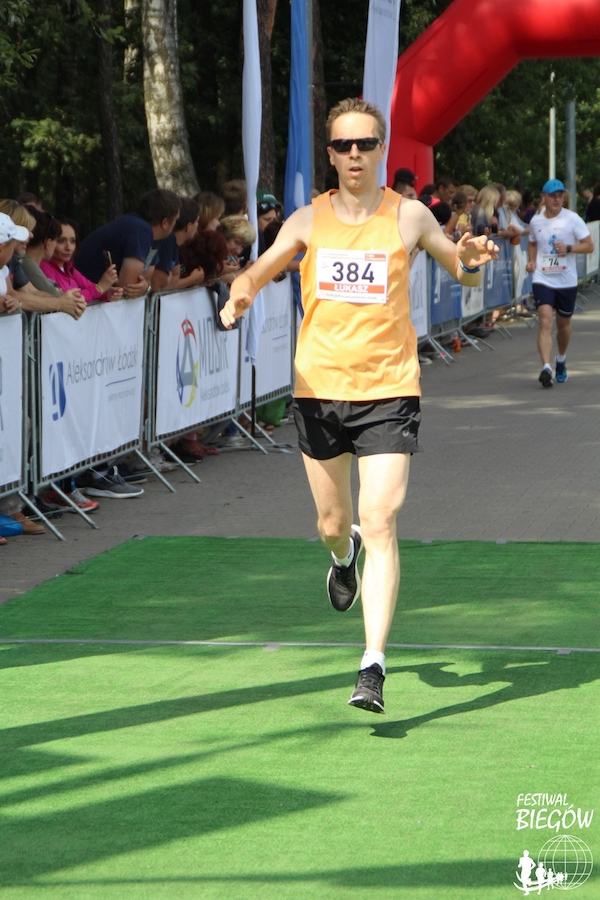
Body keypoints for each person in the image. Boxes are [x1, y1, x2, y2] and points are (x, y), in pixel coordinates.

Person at [220, 97, 498, 714]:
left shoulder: (409, 216)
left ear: (381, 149)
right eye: (343, 145)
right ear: (330, 154)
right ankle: (341, 558)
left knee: (381, 519)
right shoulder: (307, 220)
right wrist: (239, 296)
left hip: (389, 390)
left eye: (365, 144)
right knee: (333, 523)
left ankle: (372, 664)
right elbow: (256, 272)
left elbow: (461, 267)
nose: (354, 155)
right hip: (319, 391)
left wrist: (472, 262)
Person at [526, 178, 593, 387]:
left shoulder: (572, 219)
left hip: (566, 280)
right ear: (543, 197)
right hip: (543, 278)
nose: (556, 199)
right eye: (552, 196)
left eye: (560, 196)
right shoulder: (536, 221)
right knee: (545, 321)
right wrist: (531, 260)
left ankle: (561, 359)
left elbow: (589, 246)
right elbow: (532, 242)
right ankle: (546, 367)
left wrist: (570, 248)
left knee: (563, 325)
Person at [76, 189, 181, 297]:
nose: (175, 225)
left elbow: (147, 280)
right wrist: (144, 286)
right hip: (80, 295)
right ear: (165, 223)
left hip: (93, 298)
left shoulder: (153, 237)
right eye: (175, 220)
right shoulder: (140, 230)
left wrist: (146, 287)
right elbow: (127, 287)